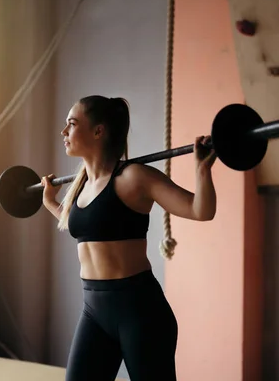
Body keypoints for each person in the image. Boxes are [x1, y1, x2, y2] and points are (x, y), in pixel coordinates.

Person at [40, 95, 217, 381]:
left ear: (98, 131)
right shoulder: (81, 186)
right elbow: (88, 227)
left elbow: (201, 210)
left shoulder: (134, 178)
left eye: (71, 124)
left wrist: (202, 169)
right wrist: (50, 202)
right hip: (94, 311)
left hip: (140, 311)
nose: (64, 132)